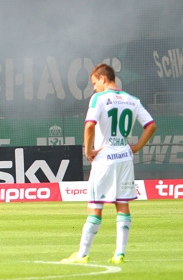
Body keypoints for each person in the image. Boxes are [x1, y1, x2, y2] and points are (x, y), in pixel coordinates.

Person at [61, 63, 156, 265]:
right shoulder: (133, 100)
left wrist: (88, 151)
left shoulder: (99, 99)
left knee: (95, 207)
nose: (94, 88)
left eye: (95, 83)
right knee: (122, 205)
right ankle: (119, 254)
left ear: (103, 79)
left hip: (104, 160)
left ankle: (82, 255)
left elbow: (89, 126)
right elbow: (151, 125)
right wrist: (137, 147)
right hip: (124, 159)